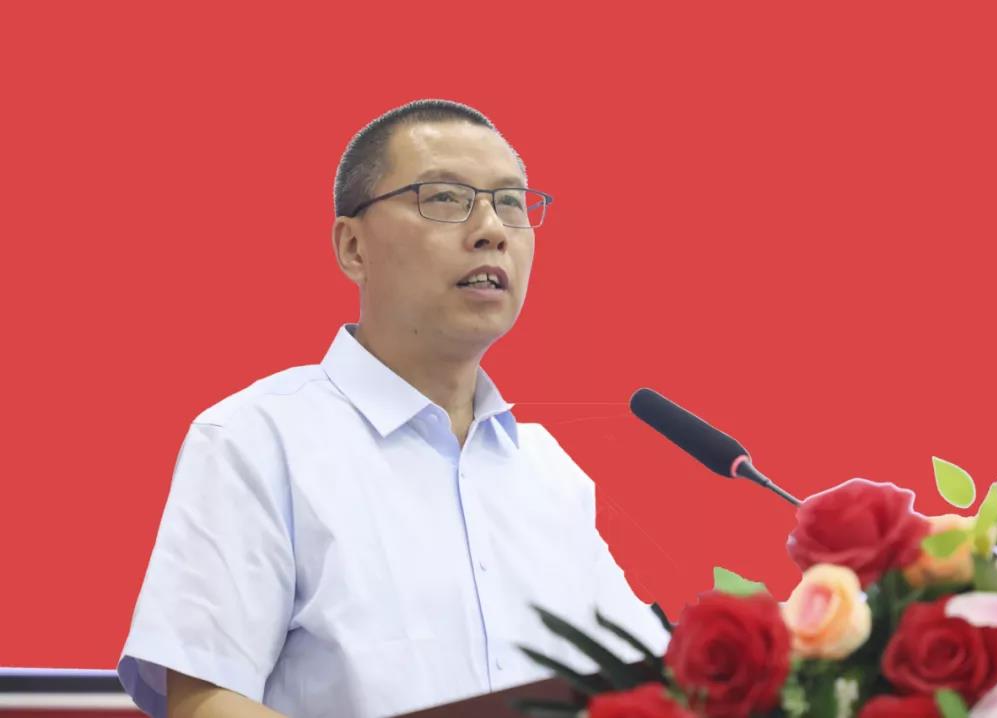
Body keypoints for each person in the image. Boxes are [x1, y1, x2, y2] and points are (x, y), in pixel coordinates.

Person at [117, 99, 669, 718]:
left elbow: (649, 688)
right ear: (354, 247)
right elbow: (206, 698)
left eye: (511, 203)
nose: (491, 229)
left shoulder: (549, 473)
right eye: (444, 198)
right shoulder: (255, 440)